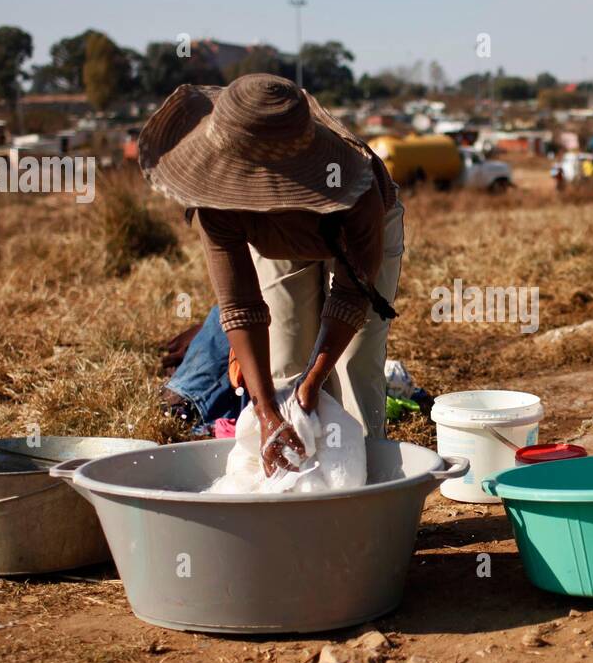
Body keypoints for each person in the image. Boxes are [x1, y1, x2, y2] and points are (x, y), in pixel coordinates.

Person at [138, 73, 404, 475]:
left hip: (342, 233)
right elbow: (240, 305)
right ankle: (294, 491)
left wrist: (317, 378)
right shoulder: (216, 201)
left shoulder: (357, 189)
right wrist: (264, 410)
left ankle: (366, 491)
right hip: (278, 244)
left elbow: (351, 296)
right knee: (284, 369)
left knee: (354, 365)